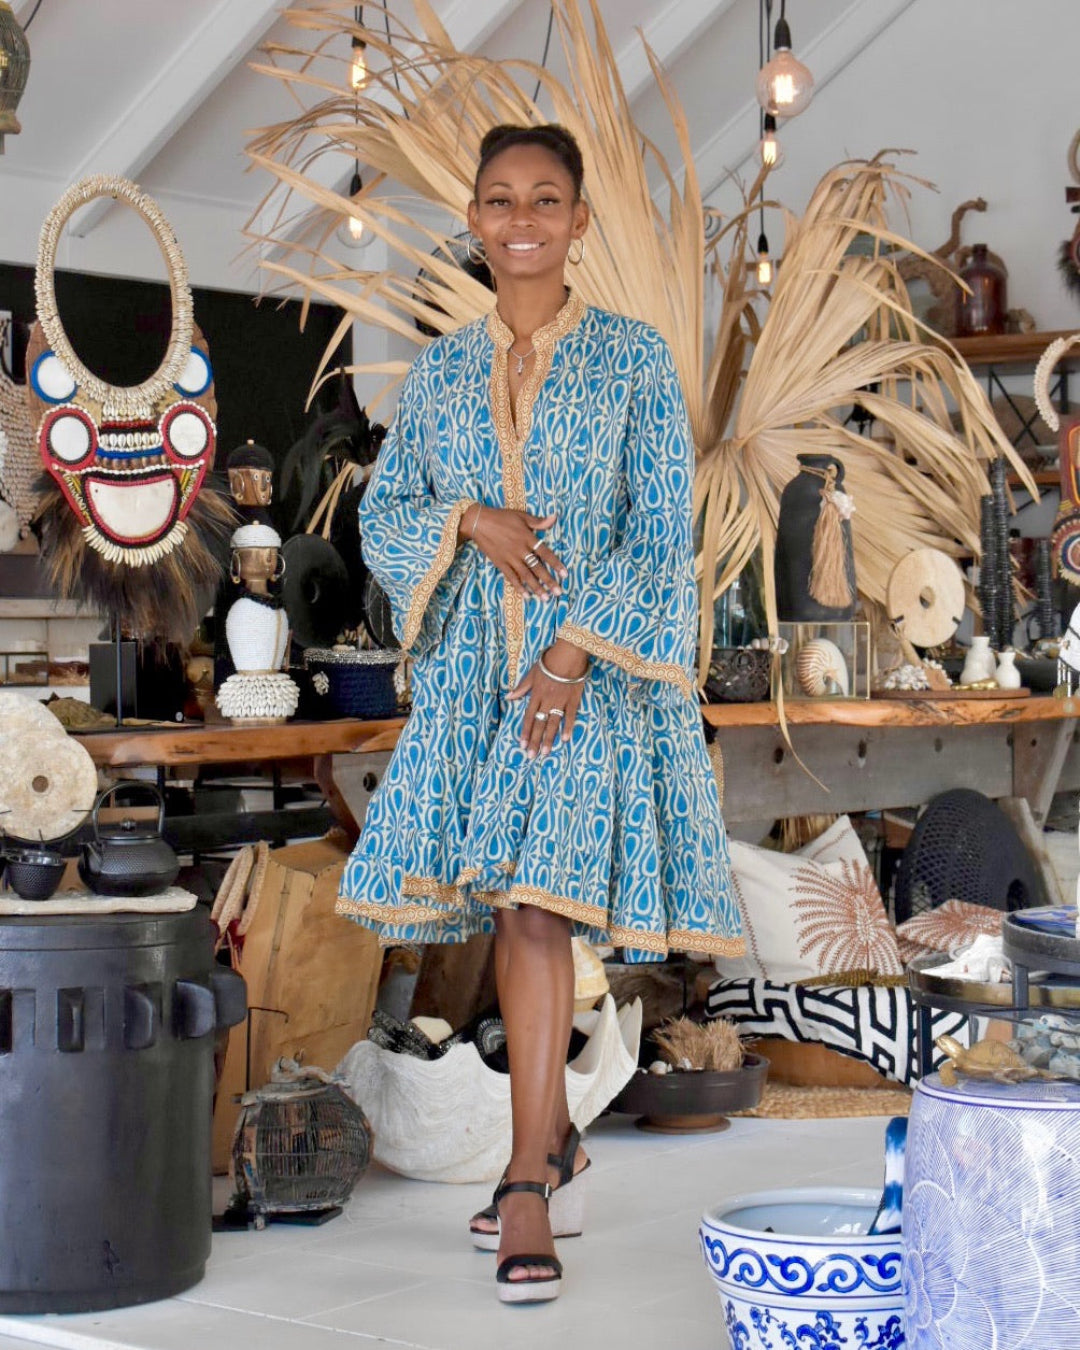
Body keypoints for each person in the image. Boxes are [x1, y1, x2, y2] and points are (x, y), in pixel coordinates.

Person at [338, 122, 743, 1305]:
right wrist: (470, 520)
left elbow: (663, 532)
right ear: (474, 219)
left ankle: (526, 1179)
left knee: (534, 905)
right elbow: (390, 512)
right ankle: (551, 1144)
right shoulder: (444, 372)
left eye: (548, 198)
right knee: (522, 908)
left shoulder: (632, 359)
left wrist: (570, 650)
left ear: (577, 220)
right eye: (502, 198)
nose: (524, 217)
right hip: (475, 676)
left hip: (588, 680)